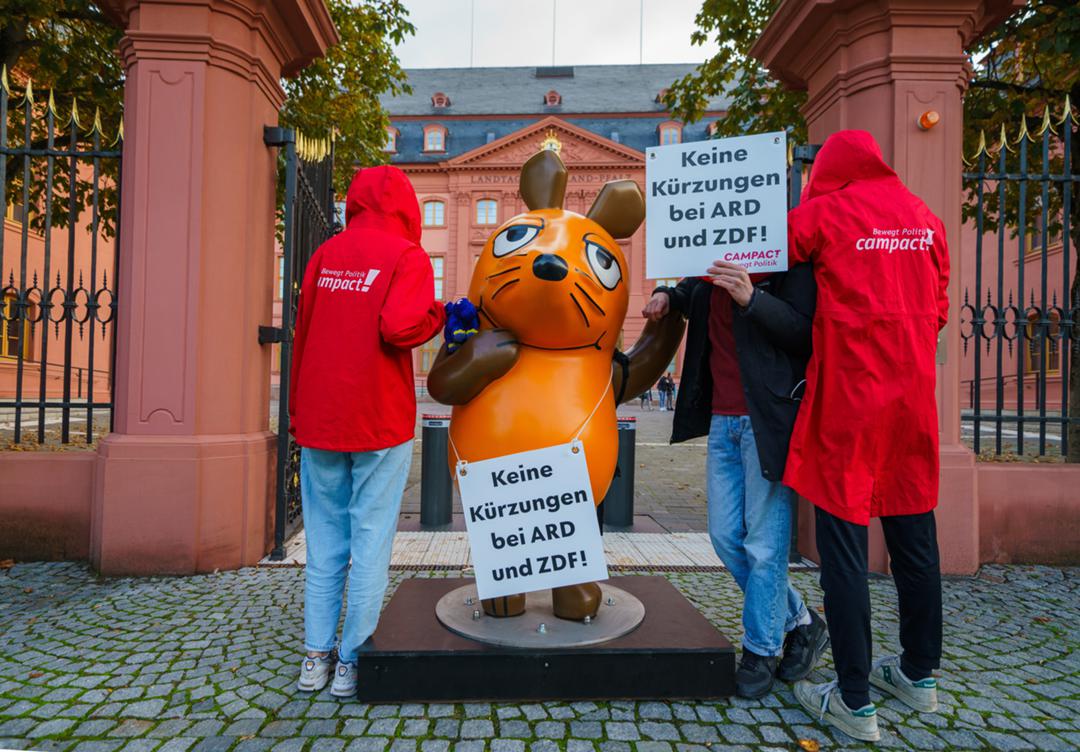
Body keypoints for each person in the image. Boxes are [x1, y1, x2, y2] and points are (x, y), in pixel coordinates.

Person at [782, 131, 950, 743]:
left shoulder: (825, 211)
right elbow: (937, 308)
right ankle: (918, 673)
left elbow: (767, 250)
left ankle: (853, 701)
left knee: (845, 554)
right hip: (911, 402)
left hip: (850, 401)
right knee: (915, 540)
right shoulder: (924, 218)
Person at [289, 165, 445, 697]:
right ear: (407, 208)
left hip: (321, 417)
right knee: (371, 540)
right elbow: (401, 327)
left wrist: (296, 411)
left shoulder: (324, 254)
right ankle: (352, 661)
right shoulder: (408, 256)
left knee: (325, 541)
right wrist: (439, 315)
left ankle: (315, 657)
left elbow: (303, 332)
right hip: (378, 418)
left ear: (354, 202)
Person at [643, 258, 827, 699]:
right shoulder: (710, 269)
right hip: (724, 422)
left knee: (764, 544)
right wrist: (670, 295)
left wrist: (753, 299)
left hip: (767, 420)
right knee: (726, 537)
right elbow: (693, 285)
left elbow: (806, 332)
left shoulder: (788, 267)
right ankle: (800, 620)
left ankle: (760, 650)